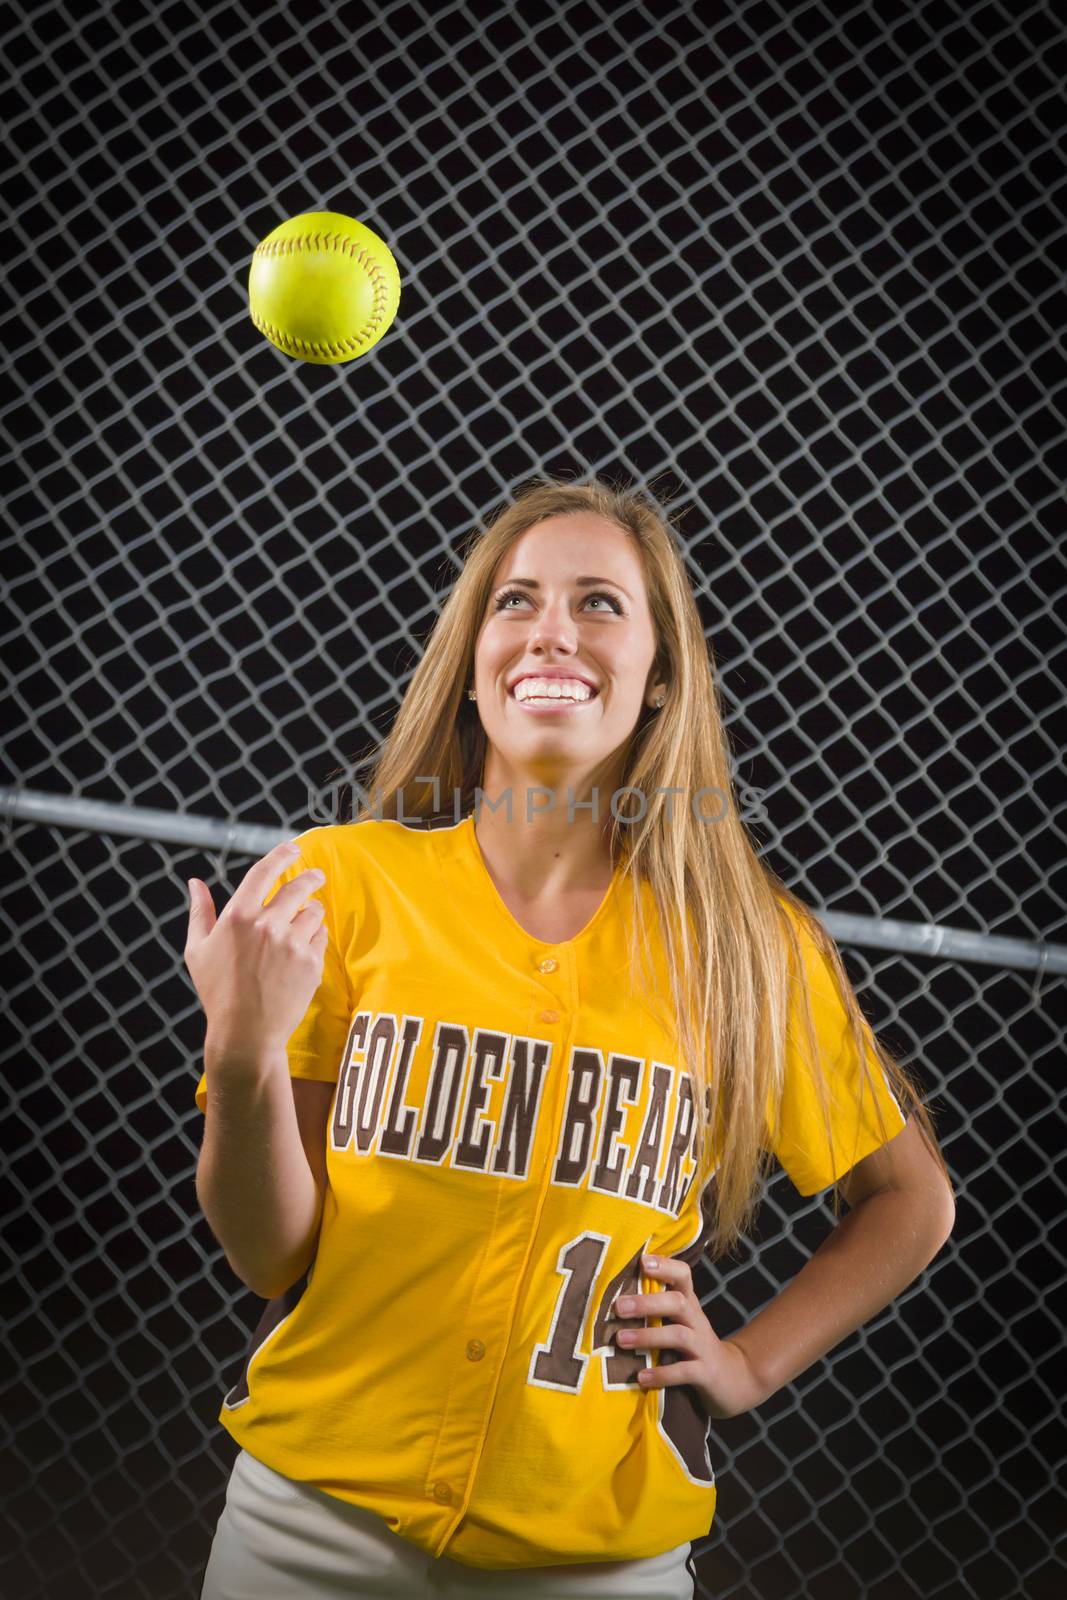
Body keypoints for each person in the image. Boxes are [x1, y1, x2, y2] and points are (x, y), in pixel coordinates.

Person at [184, 475, 955, 1599]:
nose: (552, 629)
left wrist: (744, 1362)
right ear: (473, 660)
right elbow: (269, 1254)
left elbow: (910, 1198)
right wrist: (242, 1050)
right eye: (515, 601)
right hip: (309, 1525)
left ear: (657, 680)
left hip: (599, 1557)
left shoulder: (744, 944)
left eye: (599, 603)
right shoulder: (338, 884)